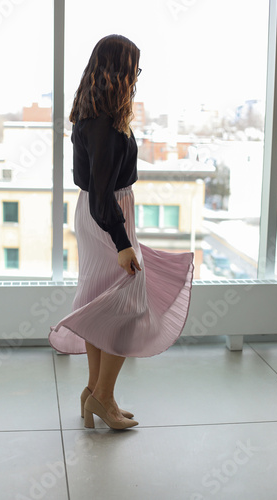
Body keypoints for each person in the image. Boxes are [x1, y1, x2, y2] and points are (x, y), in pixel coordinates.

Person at [49, 34, 194, 430]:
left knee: (101, 303)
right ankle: (103, 397)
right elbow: (101, 192)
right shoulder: (102, 124)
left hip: (99, 213)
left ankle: (95, 392)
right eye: (134, 68)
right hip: (108, 215)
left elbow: (96, 191)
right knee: (127, 307)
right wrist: (123, 242)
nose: (136, 77)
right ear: (119, 70)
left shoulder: (92, 112)